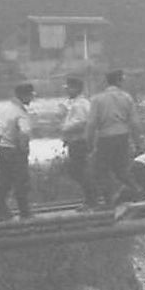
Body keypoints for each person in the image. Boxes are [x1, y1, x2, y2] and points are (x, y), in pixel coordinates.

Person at [88, 69, 140, 204]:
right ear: (119, 81)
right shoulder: (127, 98)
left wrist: (90, 144)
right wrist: (138, 143)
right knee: (122, 168)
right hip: (123, 136)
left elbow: (91, 124)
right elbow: (134, 123)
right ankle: (136, 191)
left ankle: (109, 198)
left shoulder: (97, 99)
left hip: (105, 137)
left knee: (102, 170)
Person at [0, 81, 35, 220]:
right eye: (30, 95)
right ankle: (25, 213)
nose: (32, 98)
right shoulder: (20, 112)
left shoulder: (4, 108)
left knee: (4, 183)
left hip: (3, 149)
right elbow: (25, 132)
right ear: (23, 95)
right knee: (21, 182)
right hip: (15, 151)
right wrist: (24, 149)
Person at [57, 75, 98, 208]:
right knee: (78, 170)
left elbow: (81, 122)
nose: (67, 91)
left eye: (69, 88)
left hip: (79, 141)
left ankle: (91, 199)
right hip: (76, 141)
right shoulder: (77, 104)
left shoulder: (80, 104)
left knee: (78, 170)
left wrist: (65, 127)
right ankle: (90, 198)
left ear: (76, 88)